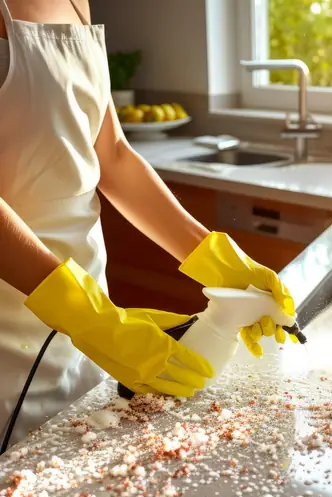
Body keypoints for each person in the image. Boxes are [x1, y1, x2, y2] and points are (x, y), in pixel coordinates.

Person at [0, 0, 295, 445]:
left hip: (80, 317)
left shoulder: (75, 2)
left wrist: (216, 259)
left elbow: (113, 155)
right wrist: (92, 320)